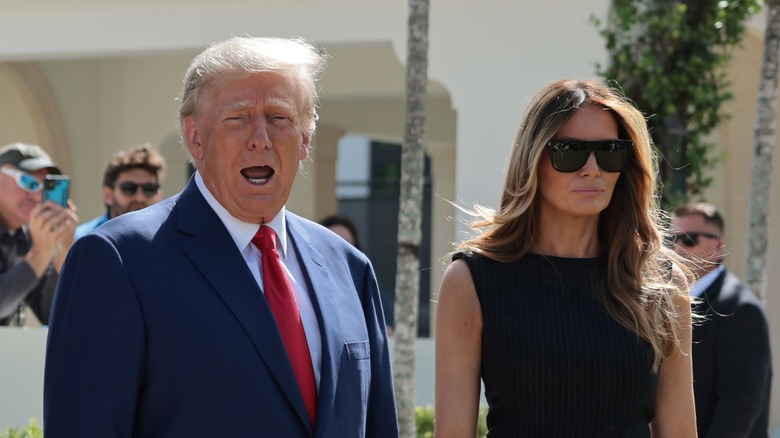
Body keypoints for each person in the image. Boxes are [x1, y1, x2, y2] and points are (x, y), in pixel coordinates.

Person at [44, 37, 398, 437]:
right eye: (238, 117)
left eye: (279, 118)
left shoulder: (349, 268)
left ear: (305, 140)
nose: (260, 137)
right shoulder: (116, 261)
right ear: (195, 137)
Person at [434, 79, 696, 437]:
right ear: (533, 160)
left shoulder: (660, 283)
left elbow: (680, 431)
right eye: (570, 151)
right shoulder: (472, 282)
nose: (592, 168)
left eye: (610, 152)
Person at [671, 203, 772, 437]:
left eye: (689, 239)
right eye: (671, 240)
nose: (677, 248)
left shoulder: (740, 308)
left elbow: (740, 404)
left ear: (719, 245)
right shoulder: (673, 300)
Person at [0, 142, 78, 326]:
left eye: (46, 187)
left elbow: (51, 315)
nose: (37, 196)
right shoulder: (36, 244)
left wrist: (63, 256)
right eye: (29, 183)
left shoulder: (28, 236)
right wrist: (40, 254)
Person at [74, 143, 166, 239]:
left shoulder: (167, 240)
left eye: (149, 189)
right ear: (108, 195)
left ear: (159, 195)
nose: (140, 197)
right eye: (129, 188)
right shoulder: (82, 240)